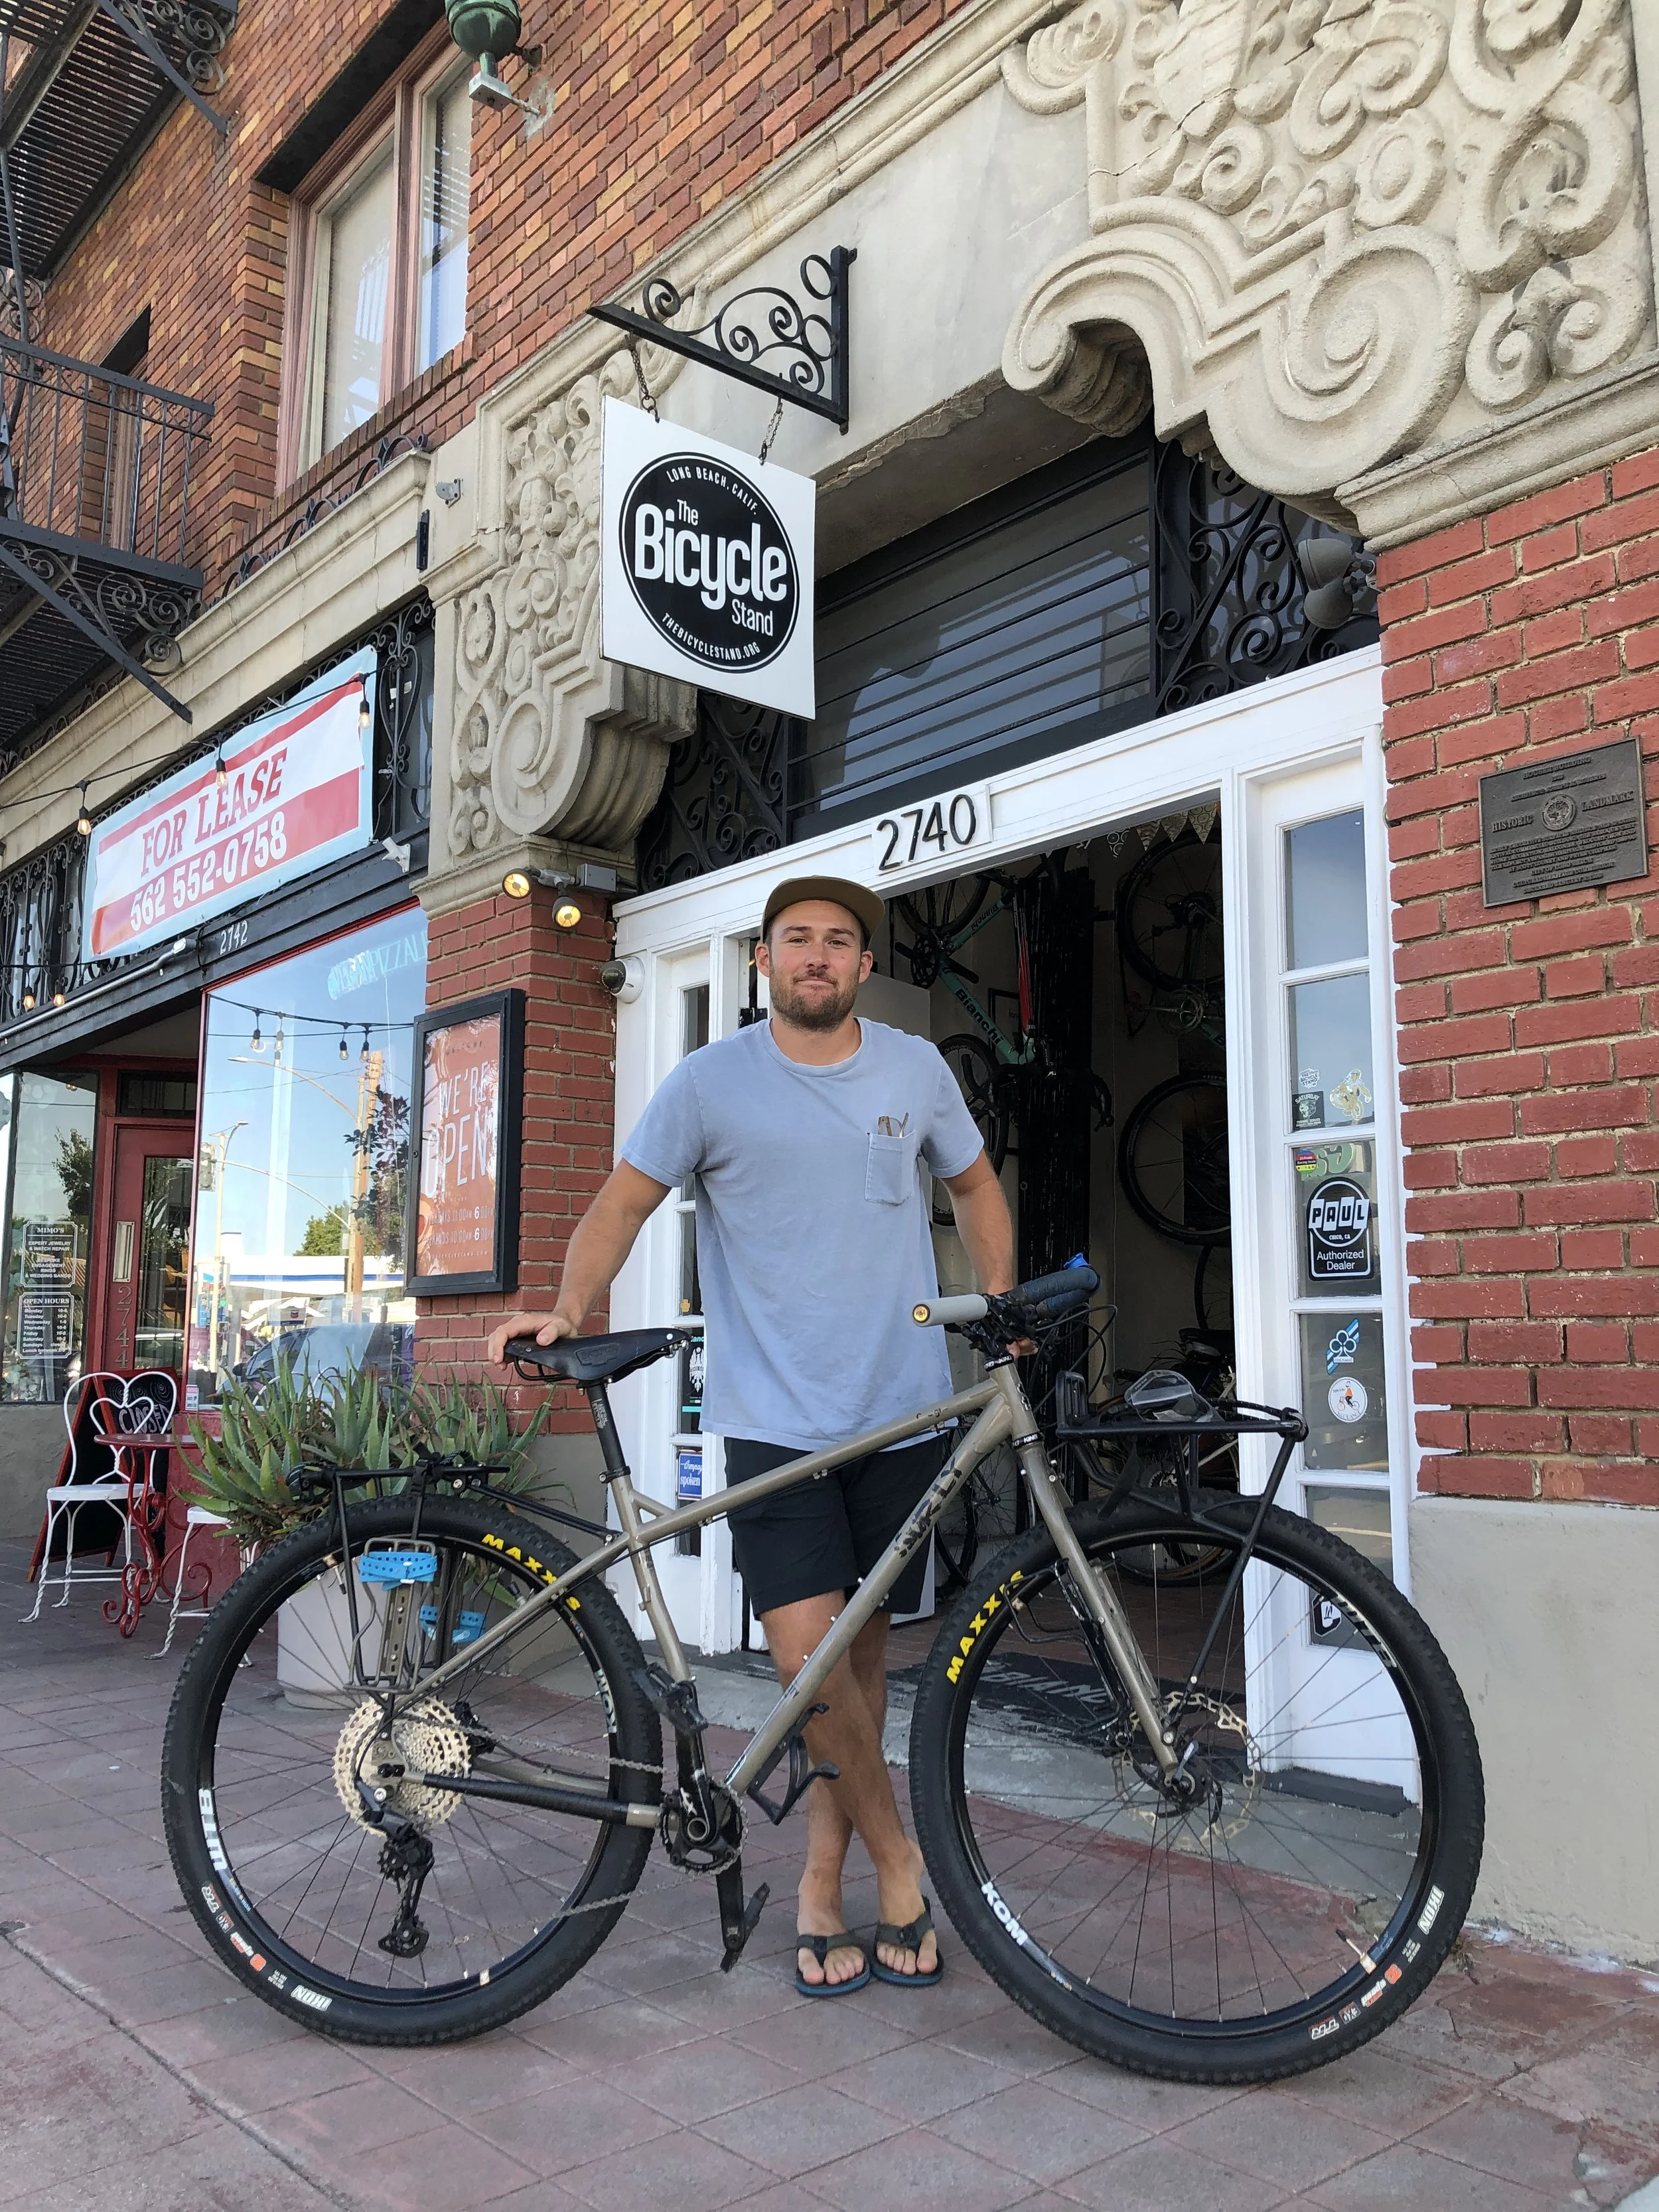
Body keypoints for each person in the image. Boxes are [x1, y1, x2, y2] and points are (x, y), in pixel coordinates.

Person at [488, 875, 1017, 1994]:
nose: (817, 955)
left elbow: (975, 1186)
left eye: (838, 941)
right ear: (764, 961)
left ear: (863, 964)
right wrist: (571, 1307)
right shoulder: (708, 1082)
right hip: (775, 1422)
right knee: (806, 1666)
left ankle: (822, 1883)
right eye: (796, 940)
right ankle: (901, 1863)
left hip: (903, 1412)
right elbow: (623, 1202)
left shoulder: (915, 1071)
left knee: (857, 1668)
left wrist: (1001, 1299)